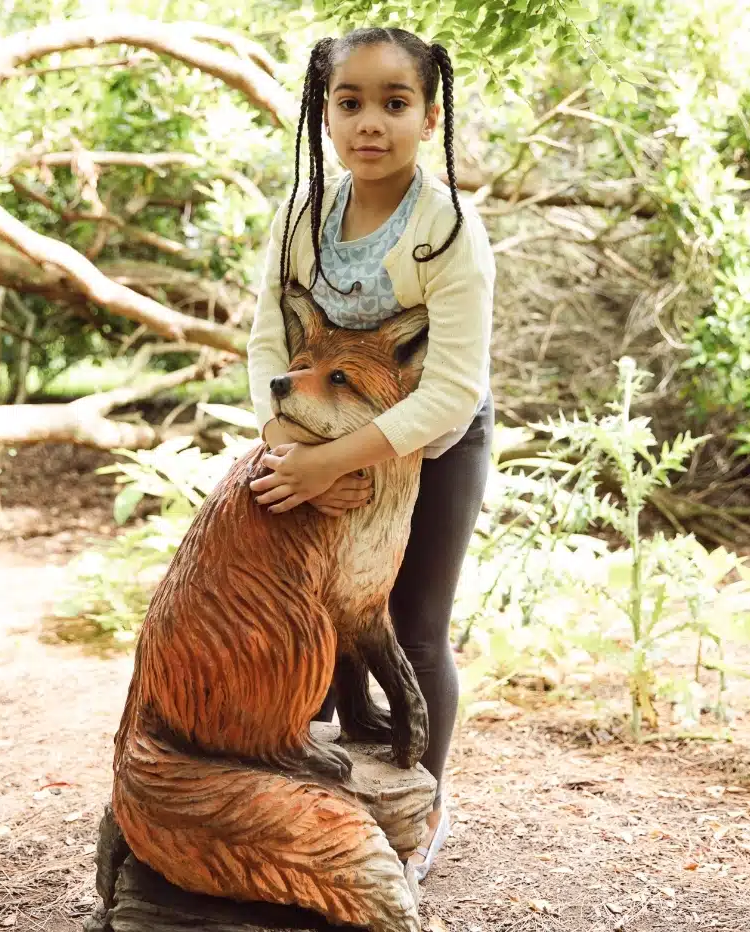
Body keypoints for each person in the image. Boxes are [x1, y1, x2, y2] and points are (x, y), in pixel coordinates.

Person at [246, 26, 495, 882]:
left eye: (395, 104)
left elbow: (451, 389)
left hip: (432, 441)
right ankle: (310, 806)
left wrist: (334, 462)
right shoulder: (299, 214)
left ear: (429, 117)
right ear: (324, 112)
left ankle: (421, 809)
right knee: (312, 619)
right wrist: (291, 449)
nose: (370, 123)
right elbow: (264, 344)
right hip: (315, 437)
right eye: (349, 102)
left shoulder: (449, 230)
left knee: (412, 632)